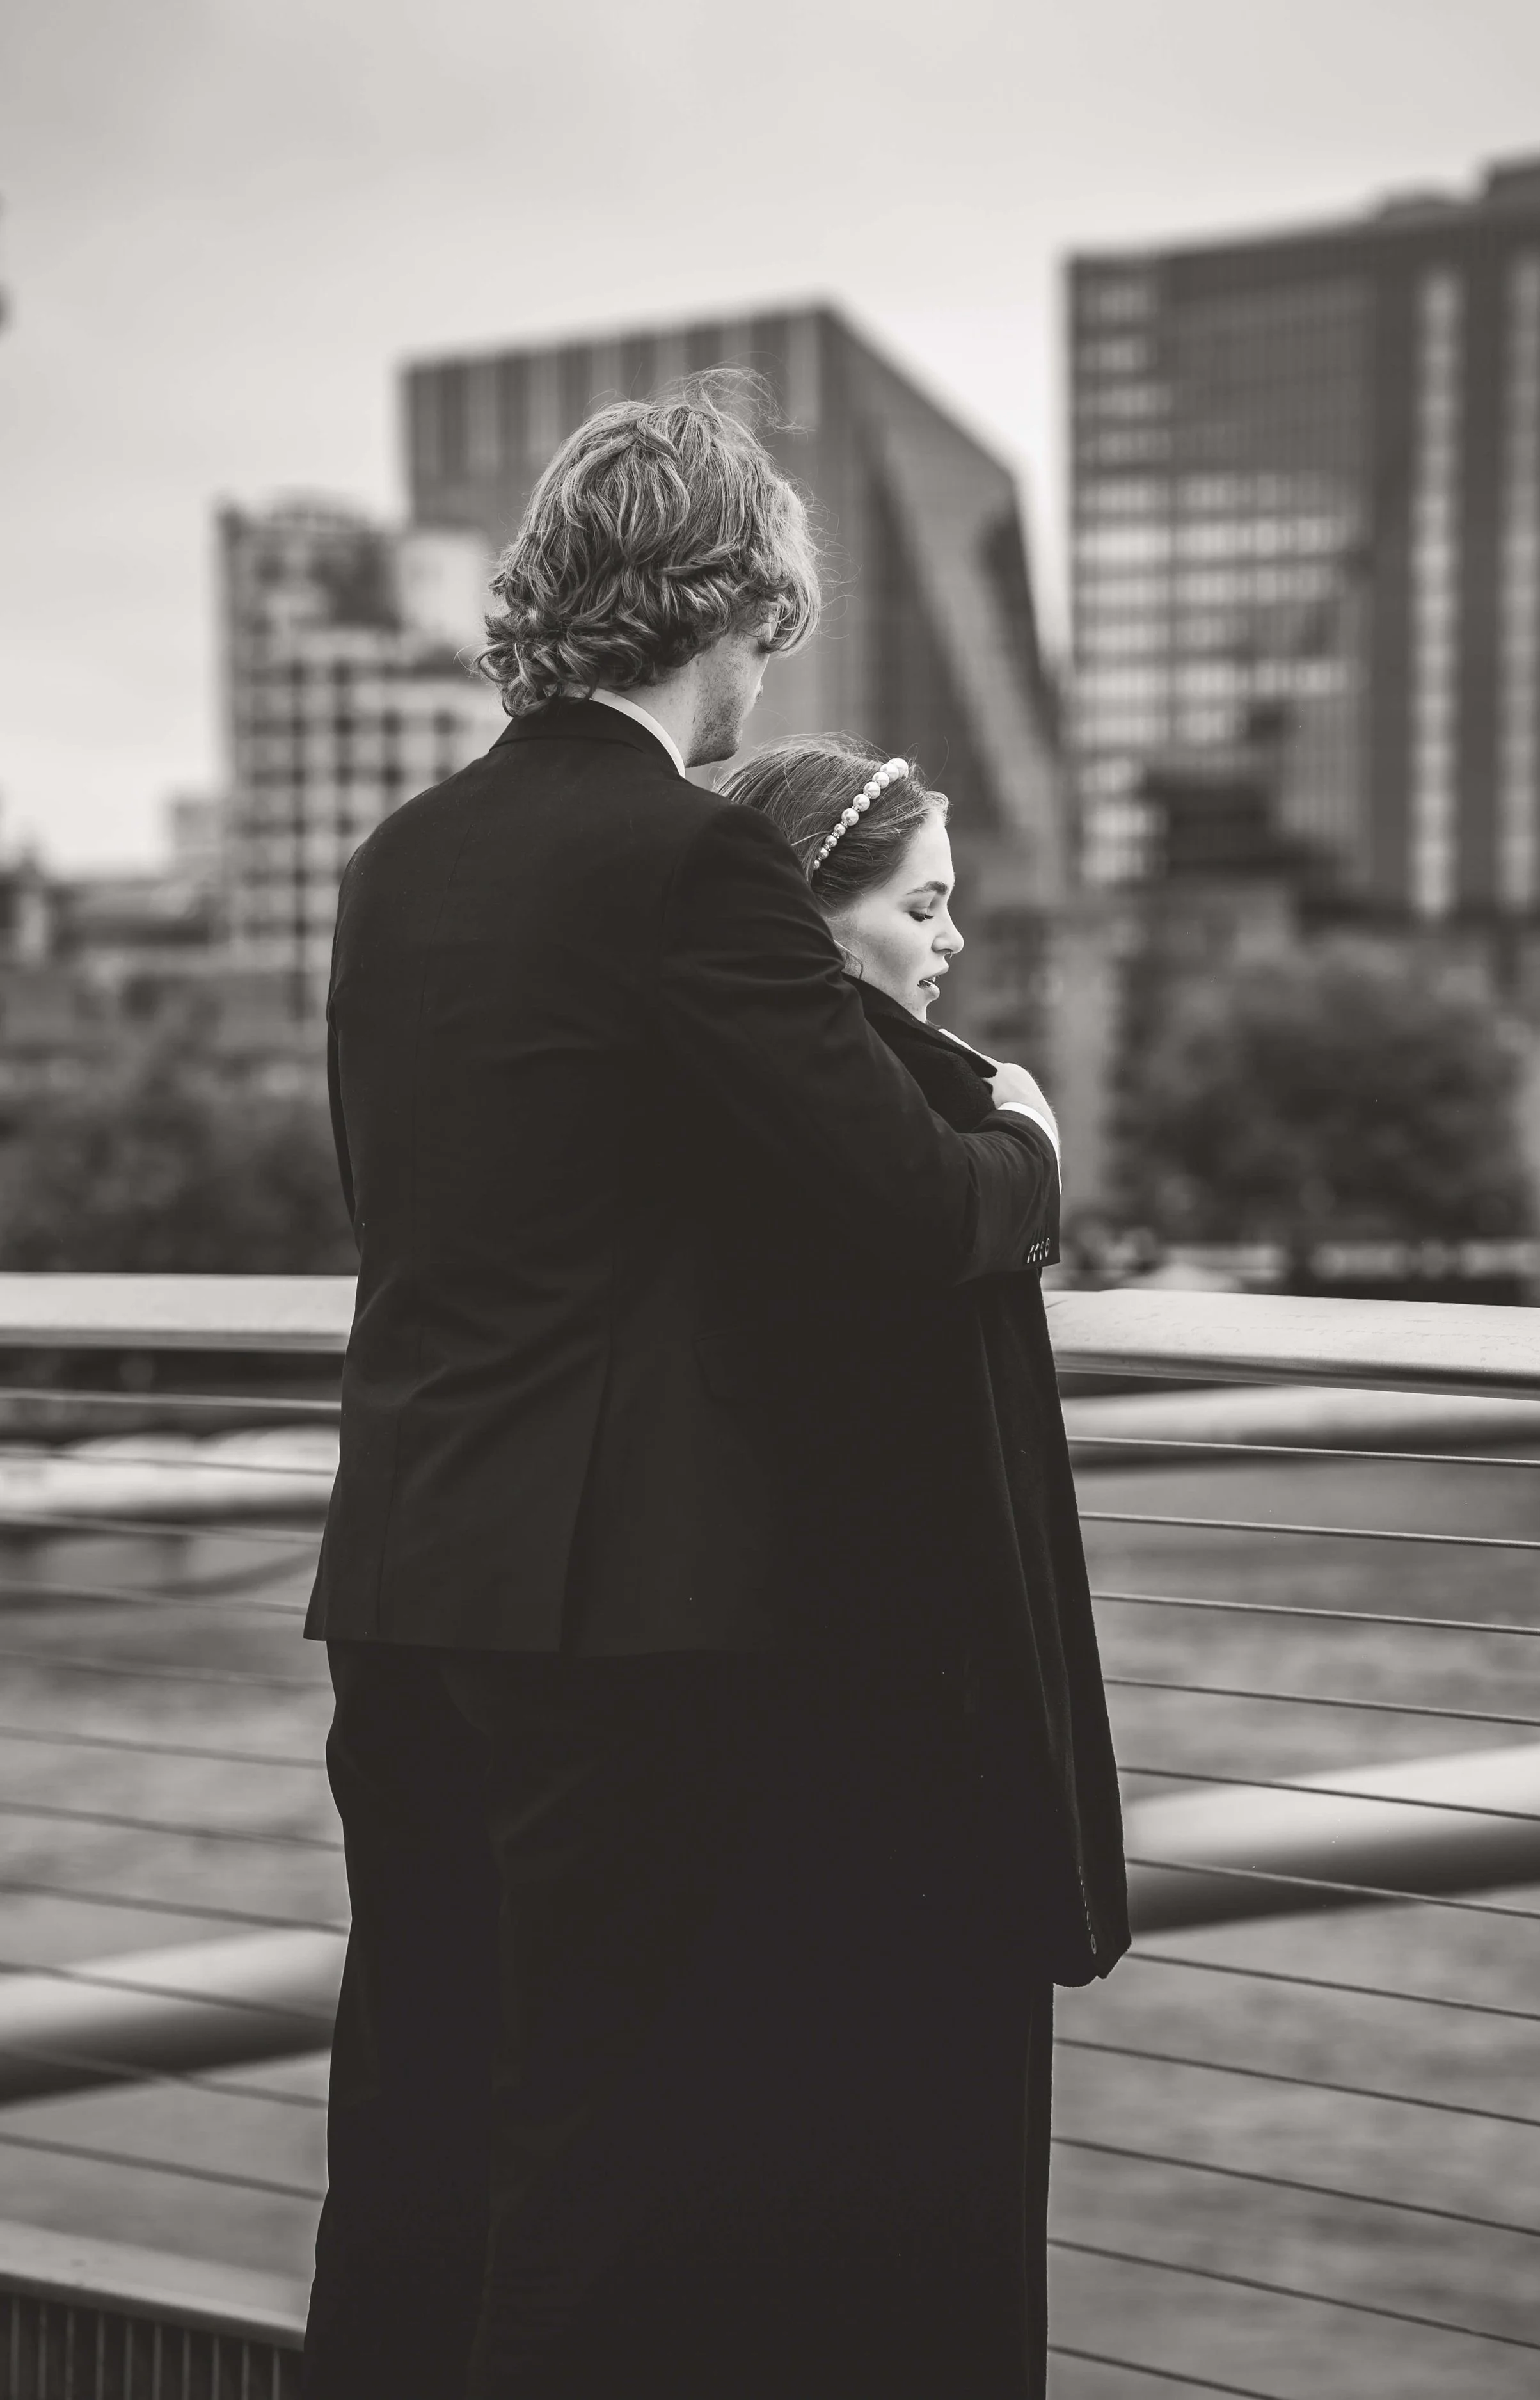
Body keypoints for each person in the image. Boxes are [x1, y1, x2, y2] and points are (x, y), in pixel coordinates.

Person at [300, 378, 1065, 2400]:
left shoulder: (396, 864)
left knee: (412, 2108)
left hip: (400, 1581)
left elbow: (434, 1221)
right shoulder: (688, 864)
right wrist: (1027, 1154)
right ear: (731, 605)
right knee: (589, 2147)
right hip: (612, 1628)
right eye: (765, 632)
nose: (759, 677)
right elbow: (897, 1205)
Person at [718, 735, 1129, 2392]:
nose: (950, 941)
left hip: (789, 1764)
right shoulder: (914, 1126)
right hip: (923, 1770)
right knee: (935, 2230)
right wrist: (1024, 1145)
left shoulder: (739, 1113)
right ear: (819, 921)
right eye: (922, 902)